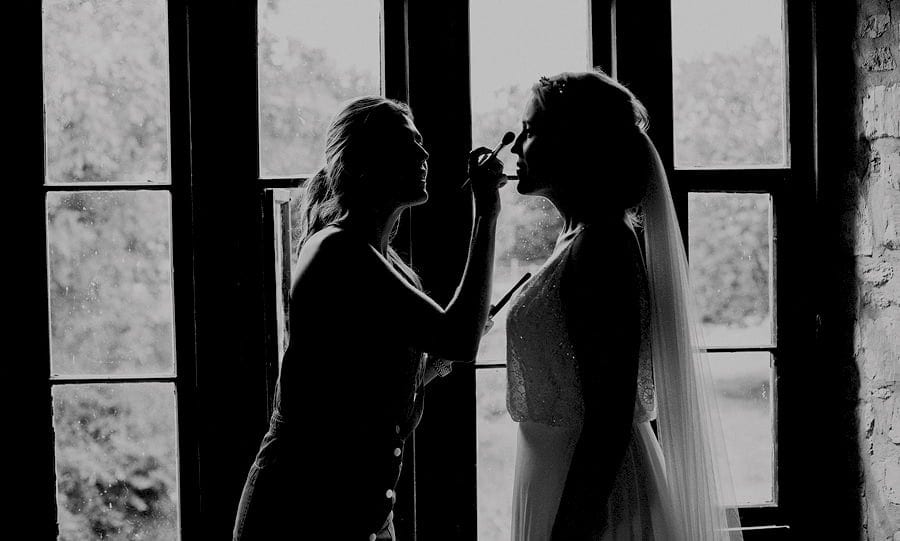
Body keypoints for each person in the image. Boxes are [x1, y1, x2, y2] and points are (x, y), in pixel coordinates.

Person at [232, 96, 506, 540]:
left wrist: (429, 364)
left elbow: (364, 388)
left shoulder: (387, 262)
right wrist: (487, 213)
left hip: (359, 514)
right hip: (298, 512)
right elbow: (459, 337)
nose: (424, 155)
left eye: (420, 143)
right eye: (406, 145)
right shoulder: (338, 250)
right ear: (362, 164)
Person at [505, 71, 743, 540]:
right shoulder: (576, 239)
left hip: (593, 495)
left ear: (574, 142)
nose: (515, 148)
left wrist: (572, 525)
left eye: (530, 131)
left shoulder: (603, 246)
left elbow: (611, 414)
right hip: (555, 475)